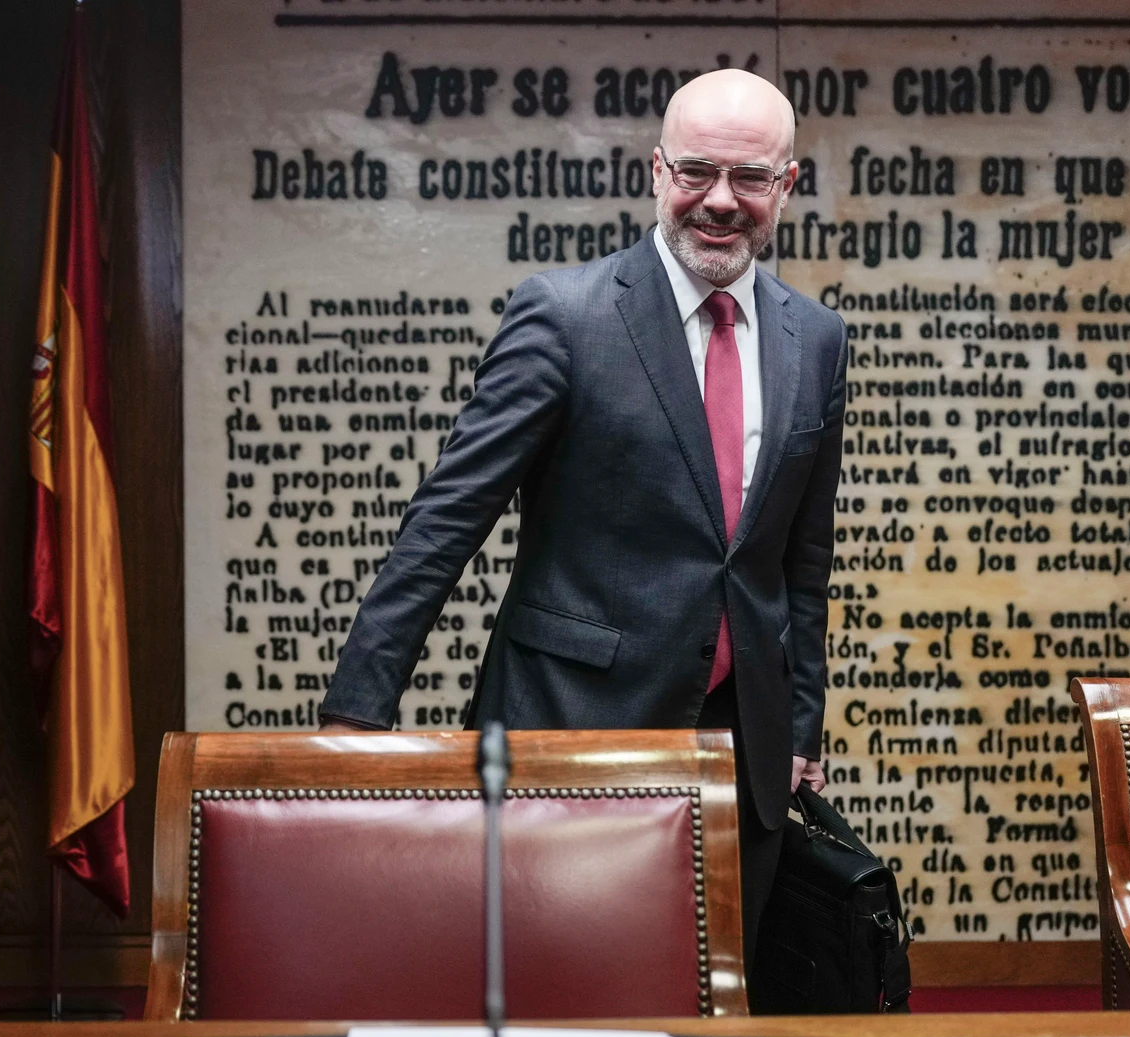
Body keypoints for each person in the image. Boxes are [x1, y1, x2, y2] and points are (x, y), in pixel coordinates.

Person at [317, 70, 843, 969]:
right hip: (567, 728)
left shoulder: (818, 338)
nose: (720, 201)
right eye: (696, 172)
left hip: (741, 748)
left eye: (749, 179)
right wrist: (357, 717)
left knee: (714, 1004)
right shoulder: (563, 316)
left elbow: (802, 558)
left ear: (786, 186)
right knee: (558, 998)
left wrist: (799, 728)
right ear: (655, 172)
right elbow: (445, 523)